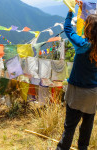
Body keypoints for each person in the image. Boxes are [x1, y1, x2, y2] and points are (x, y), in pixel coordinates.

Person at [56, 1, 97, 150]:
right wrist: (83, 9)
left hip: (77, 93)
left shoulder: (82, 44)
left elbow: (68, 29)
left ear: (88, 29)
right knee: (87, 127)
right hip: (93, 93)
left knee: (70, 127)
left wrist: (70, 10)